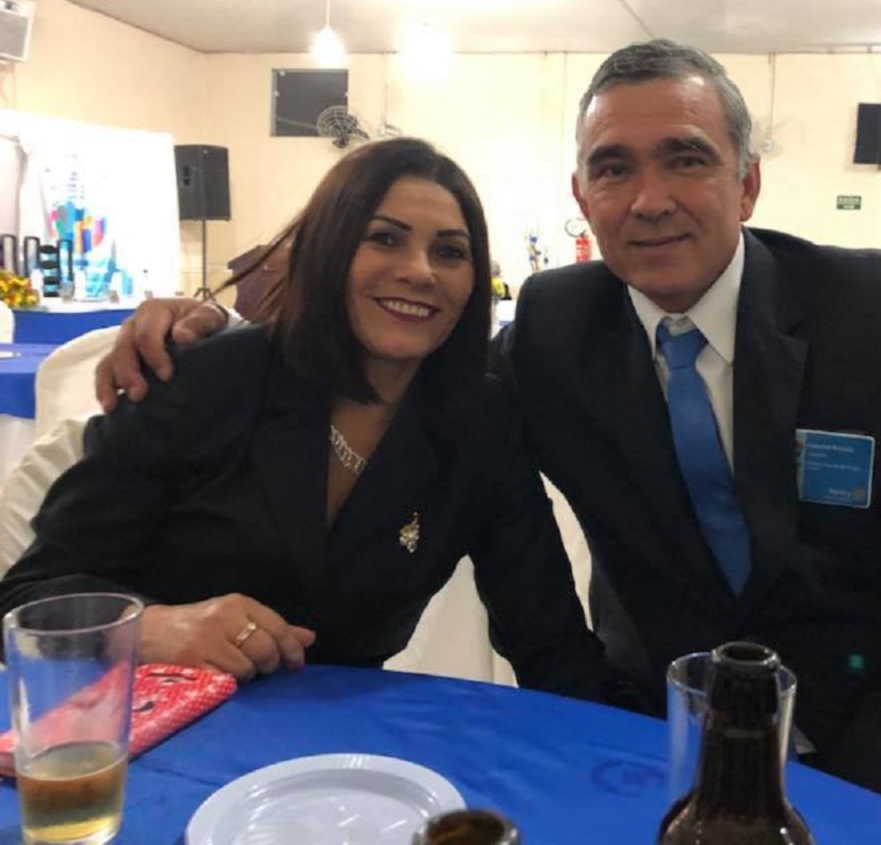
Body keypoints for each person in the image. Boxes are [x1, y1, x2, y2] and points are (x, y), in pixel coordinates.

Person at [95, 41, 881, 831]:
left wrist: (868, 780)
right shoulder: (558, 328)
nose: (648, 198)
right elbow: (405, 358)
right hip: (666, 740)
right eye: (614, 168)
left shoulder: (880, 313)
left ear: (747, 183)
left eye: (685, 157)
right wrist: (210, 326)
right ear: (582, 198)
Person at [0, 138, 613, 703]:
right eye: (385, 239)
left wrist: (632, 754)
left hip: (341, 751)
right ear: (329, 249)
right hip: (154, 732)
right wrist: (153, 630)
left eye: (450, 251)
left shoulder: (481, 421)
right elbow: (30, 596)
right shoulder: (200, 380)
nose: (421, 270)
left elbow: (548, 640)